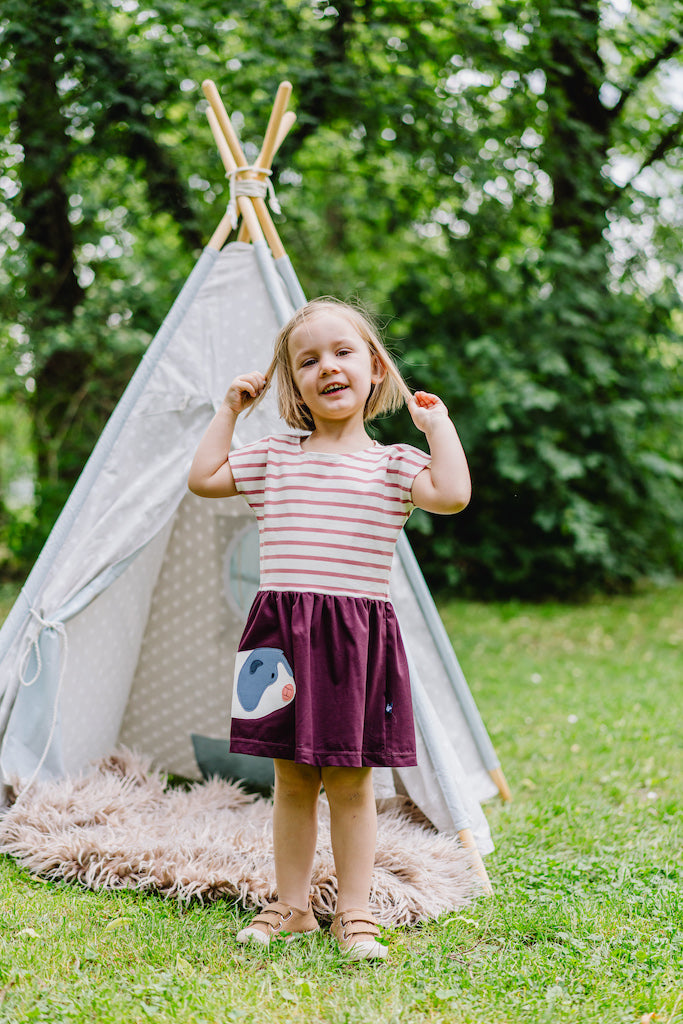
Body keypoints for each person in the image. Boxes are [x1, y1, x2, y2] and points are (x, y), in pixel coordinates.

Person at [188, 298, 471, 961]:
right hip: (279, 639)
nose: (327, 368)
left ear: (374, 369)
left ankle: (354, 910)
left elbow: (453, 494)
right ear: (294, 385)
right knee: (290, 781)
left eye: (342, 353)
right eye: (307, 361)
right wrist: (229, 410)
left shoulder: (395, 464)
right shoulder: (273, 458)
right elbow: (203, 479)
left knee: (349, 783)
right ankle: (290, 907)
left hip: (353, 642)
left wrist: (439, 429)